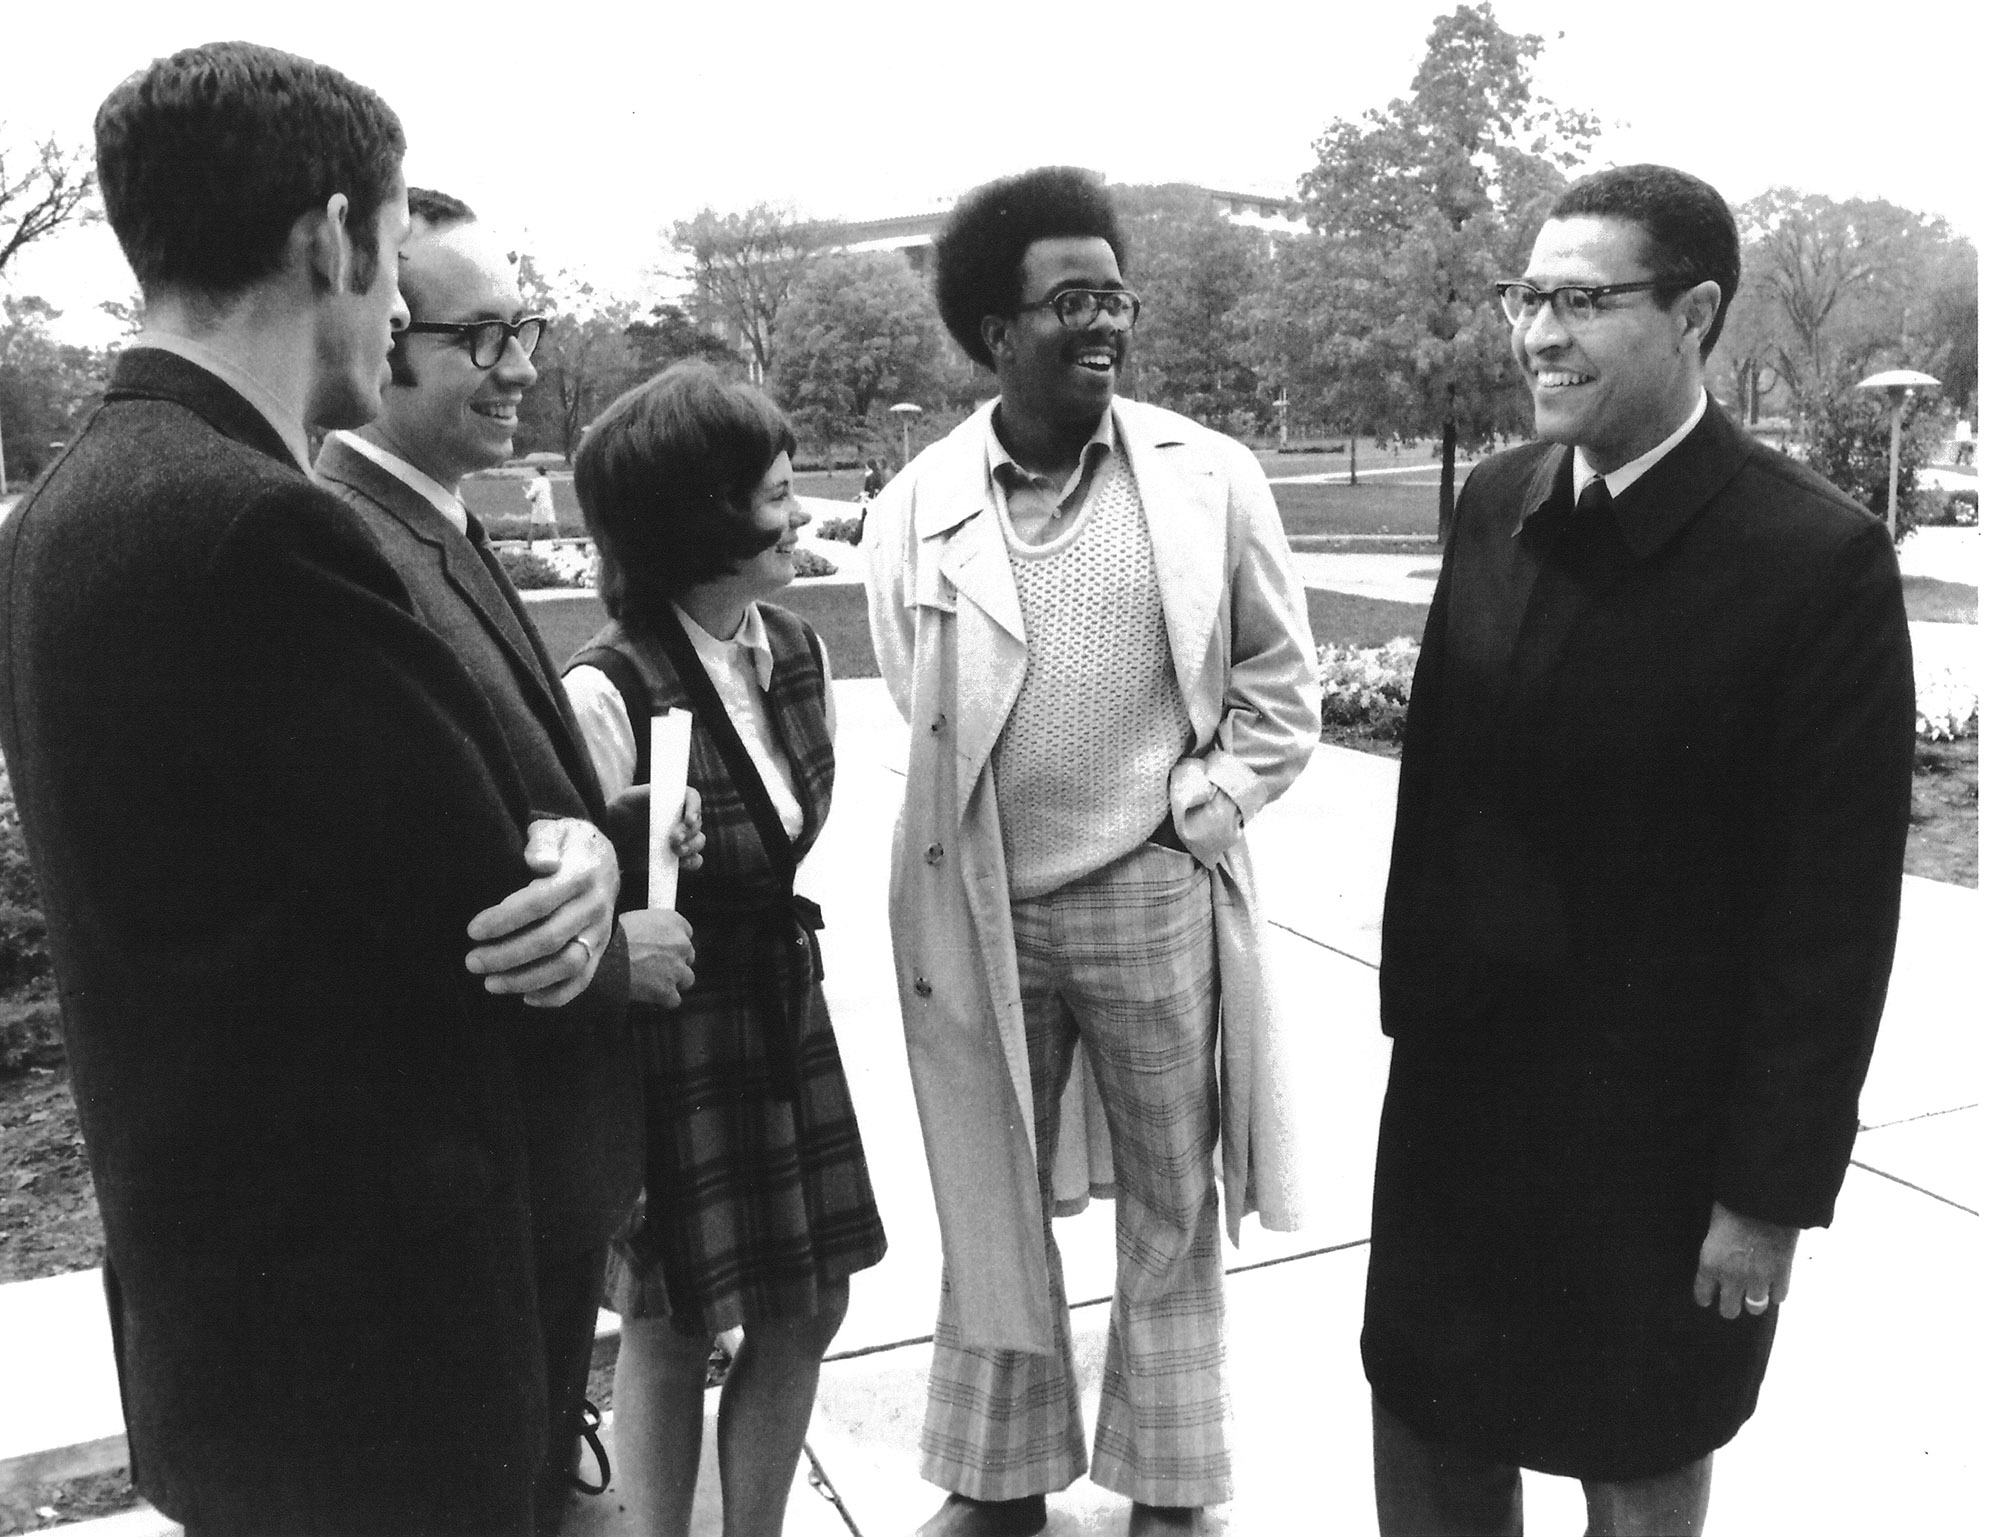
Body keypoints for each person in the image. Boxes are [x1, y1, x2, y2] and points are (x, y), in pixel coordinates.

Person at [0, 46, 691, 1536]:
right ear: (333, 236)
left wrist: (563, 840)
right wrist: (574, 858)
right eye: (390, 262)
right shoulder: (259, 525)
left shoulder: (68, 502)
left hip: (229, 1316)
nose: (391, 313)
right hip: (375, 1344)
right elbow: (490, 916)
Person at [1365, 164, 1915, 1536]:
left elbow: (1830, 924)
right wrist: (1410, 1027)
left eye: (1583, 301)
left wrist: (1768, 1194)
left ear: (1696, 315)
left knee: (1641, 1449)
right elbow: (1432, 800)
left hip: (1660, 1151)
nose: (1538, 333)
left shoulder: (1816, 563)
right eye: (1527, 297)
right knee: (1431, 1430)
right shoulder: (1494, 504)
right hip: (1460, 1116)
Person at [863, 166, 1320, 1537]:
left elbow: (1281, 686)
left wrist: (1213, 804)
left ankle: (1170, 1483)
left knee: (1178, 1199)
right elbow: (918, 696)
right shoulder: (920, 504)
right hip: (989, 904)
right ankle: (999, 1482)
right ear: (995, 331)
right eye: (1070, 301)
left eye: (1114, 296)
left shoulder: (1210, 478)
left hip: (1153, 895)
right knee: (991, 1185)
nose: (1102, 324)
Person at [312, 187, 702, 1527]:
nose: (524, 365)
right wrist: (616, 958)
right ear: (382, 334)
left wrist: (621, 820)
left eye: (522, 327)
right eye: (484, 336)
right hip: (479, 1198)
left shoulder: (436, 521)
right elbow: (410, 916)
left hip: (532, 1188)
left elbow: (488, 799)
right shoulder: (353, 546)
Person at [561, 362, 887, 1537]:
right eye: (774, 496)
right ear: (697, 521)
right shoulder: (604, 691)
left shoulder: (793, 651)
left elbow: (790, 829)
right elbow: (568, 893)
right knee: (671, 1320)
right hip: (673, 1034)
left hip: (779, 1013)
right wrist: (623, 831)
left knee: (812, 1299)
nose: (796, 516)